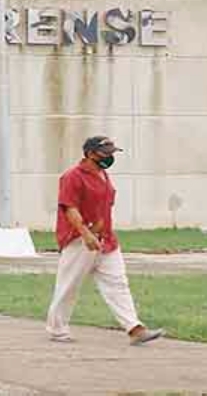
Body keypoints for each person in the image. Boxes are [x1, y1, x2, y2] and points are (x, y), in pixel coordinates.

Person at [46, 136, 165, 346]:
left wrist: (102, 233)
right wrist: (85, 233)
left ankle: (135, 329)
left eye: (112, 152)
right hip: (80, 240)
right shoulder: (72, 177)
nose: (110, 157)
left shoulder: (103, 175)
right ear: (90, 153)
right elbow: (69, 208)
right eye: (105, 152)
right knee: (68, 286)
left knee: (118, 283)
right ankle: (57, 330)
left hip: (106, 240)